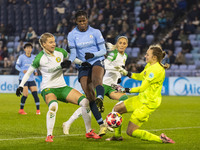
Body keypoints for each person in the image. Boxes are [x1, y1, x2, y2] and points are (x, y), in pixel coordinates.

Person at [16, 33, 101, 142]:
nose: (53, 44)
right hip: (48, 88)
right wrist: (20, 85)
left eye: (54, 41)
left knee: (85, 102)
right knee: (53, 106)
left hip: (62, 87)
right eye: (50, 42)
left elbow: (72, 58)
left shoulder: (60, 52)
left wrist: (82, 63)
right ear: (43, 44)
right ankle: (49, 135)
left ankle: (89, 131)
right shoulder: (39, 58)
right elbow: (28, 72)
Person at [106, 44, 175, 144]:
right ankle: (117, 136)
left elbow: (142, 88)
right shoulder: (150, 65)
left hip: (148, 103)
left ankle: (161, 139)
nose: (145, 56)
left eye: (147, 55)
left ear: (154, 57)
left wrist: (124, 90)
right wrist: (126, 73)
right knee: (117, 109)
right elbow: (140, 77)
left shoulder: (156, 70)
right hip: (141, 98)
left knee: (130, 132)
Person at [63, 36, 129, 135]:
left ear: (127, 45)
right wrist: (118, 69)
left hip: (112, 86)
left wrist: (118, 76)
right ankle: (68, 123)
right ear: (117, 44)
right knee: (89, 104)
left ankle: (108, 121)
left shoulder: (125, 56)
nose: (122, 45)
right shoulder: (113, 54)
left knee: (124, 98)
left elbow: (118, 68)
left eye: (124, 43)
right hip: (104, 83)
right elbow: (105, 64)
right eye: (120, 43)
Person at [66, 10, 107, 136]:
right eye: (80, 21)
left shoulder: (95, 32)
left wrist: (93, 54)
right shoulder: (72, 35)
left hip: (96, 60)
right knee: (89, 95)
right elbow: (73, 54)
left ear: (87, 20)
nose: (82, 23)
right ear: (76, 22)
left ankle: (100, 99)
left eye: (84, 20)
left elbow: (104, 50)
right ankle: (102, 125)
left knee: (96, 79)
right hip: (83, 65)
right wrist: (68, 62)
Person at [15, 43, 40, 115]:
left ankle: (38, 111)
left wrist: (35, 72)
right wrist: (21, 70)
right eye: (27, 48)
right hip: (23, 78)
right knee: (25, 94)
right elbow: (16, 66)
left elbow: (34, 66)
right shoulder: (21, 57)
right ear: (24, 49)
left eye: (30, 48)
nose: (29, 49)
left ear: (32, 49)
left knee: (35, 94)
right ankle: (21, 110)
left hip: (31, 79)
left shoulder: (34, 57)